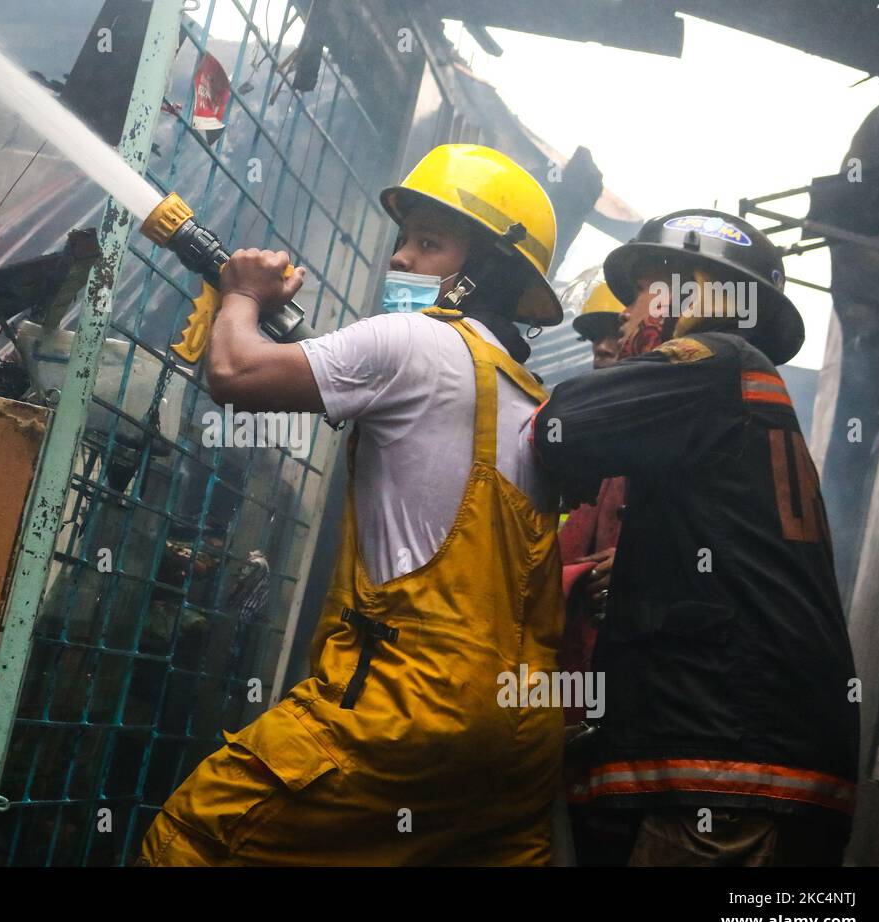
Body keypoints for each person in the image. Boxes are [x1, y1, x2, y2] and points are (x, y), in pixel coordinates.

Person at [138, 144, 568, 865]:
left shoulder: (415, 342)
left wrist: (242, 291)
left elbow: (236, 371)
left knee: (194, 840)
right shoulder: (530, 398)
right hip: (521, 739)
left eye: (428, 243)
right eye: (403, 240)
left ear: (486, 270)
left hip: (408, 708)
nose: (399, 259)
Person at [532, 210, 859, 866]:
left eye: (641, 293)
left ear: (695, 294)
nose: (625, 318)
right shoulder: (739, 391)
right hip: (761, 763)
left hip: (729, 769)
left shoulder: (713, 360)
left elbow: (565, 423)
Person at [555, 278, 629, 864]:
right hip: (565, 694)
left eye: (615, 333)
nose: (602, 347)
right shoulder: (578, 441)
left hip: (635, 709)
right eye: (595, 337)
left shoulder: (664, 439)